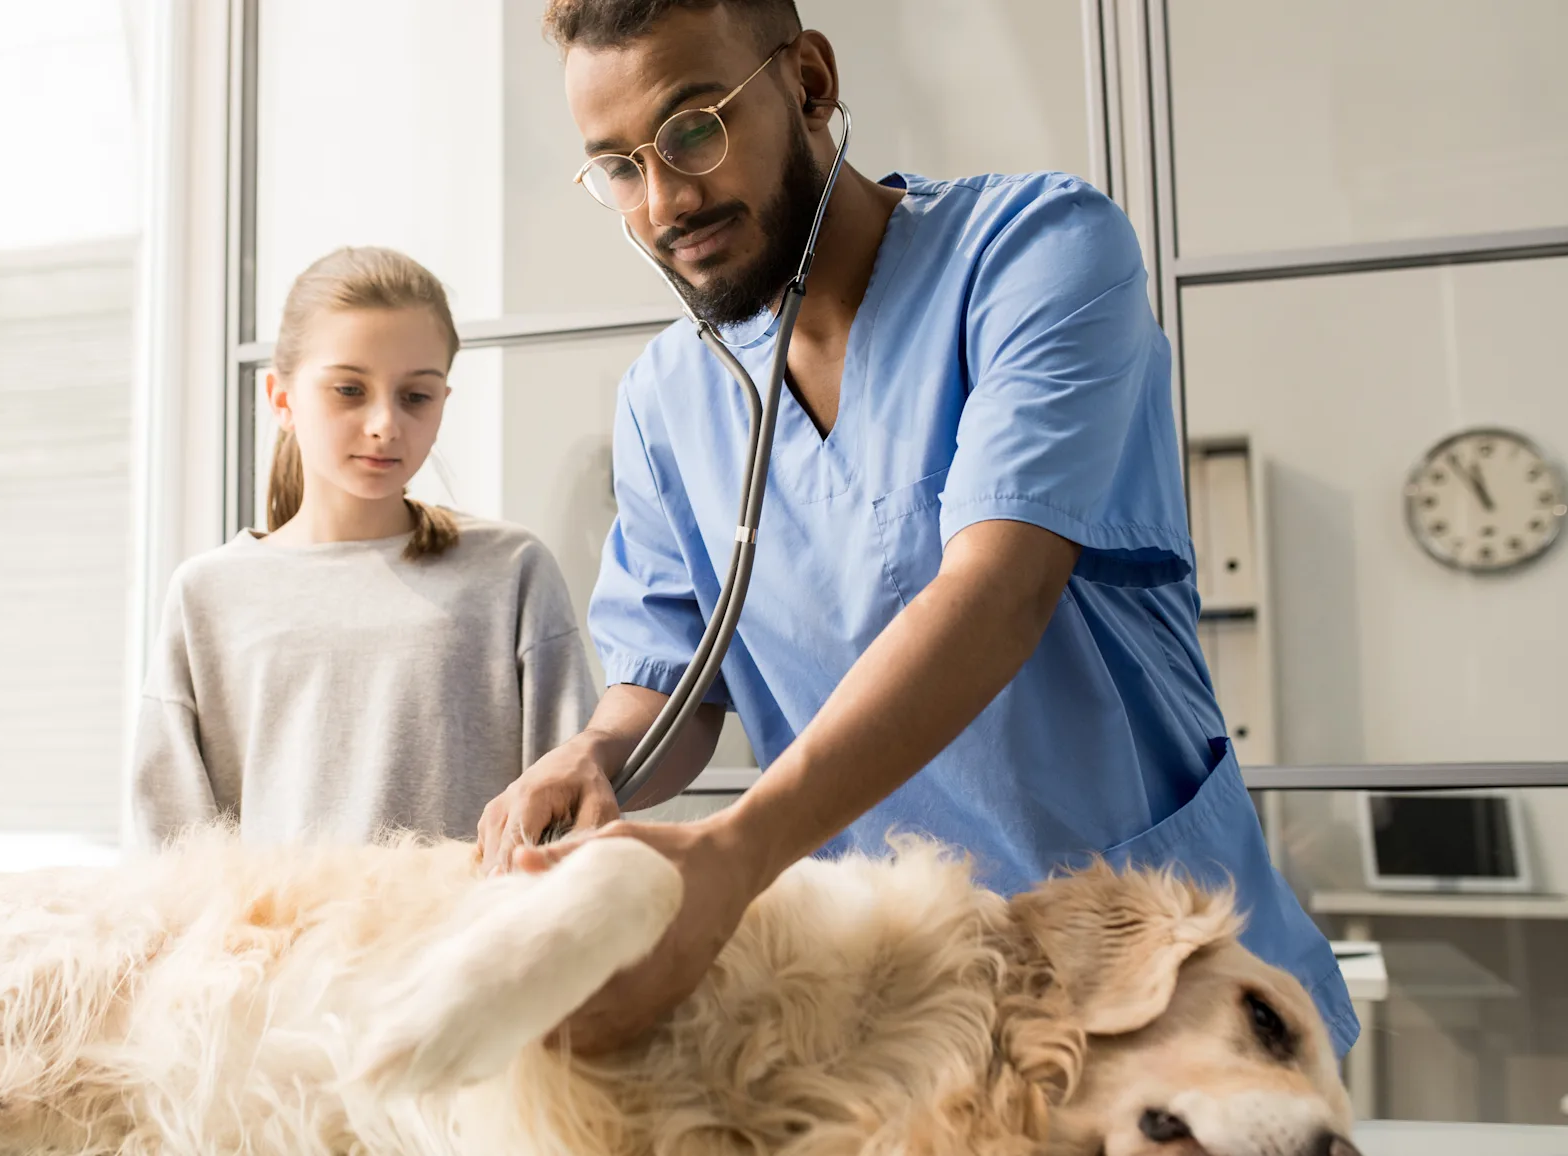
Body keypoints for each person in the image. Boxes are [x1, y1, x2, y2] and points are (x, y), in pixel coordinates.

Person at [474, 0, 1358, 1058]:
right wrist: (594, 756)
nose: (664, 200)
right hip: (910, 1006)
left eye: (693, 130)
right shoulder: (667, 398)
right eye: (618, 167)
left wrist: (739, 850)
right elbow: (669, 677)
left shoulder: (1037, 254)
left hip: (1158, 967)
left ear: (807, 83)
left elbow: (996, 594)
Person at [133, 246, 597, 847]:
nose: (385, 423)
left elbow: (573, 816)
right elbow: (171, 849)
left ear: (443, 404)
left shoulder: (510, 572)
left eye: (416, 396)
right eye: (349, 390)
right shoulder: (207, 594)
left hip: (478, 937)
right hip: (277, 942)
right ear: (282, 398)